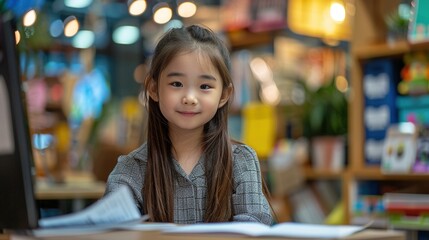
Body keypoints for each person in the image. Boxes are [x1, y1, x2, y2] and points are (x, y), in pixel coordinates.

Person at [104, 24, 273, 225]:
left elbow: (254, 228)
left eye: (205, 86)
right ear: (153, 88)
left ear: (224, 95)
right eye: (176, 84)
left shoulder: (241, 162)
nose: (190, 98)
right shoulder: (130, 170)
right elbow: (114, 231)